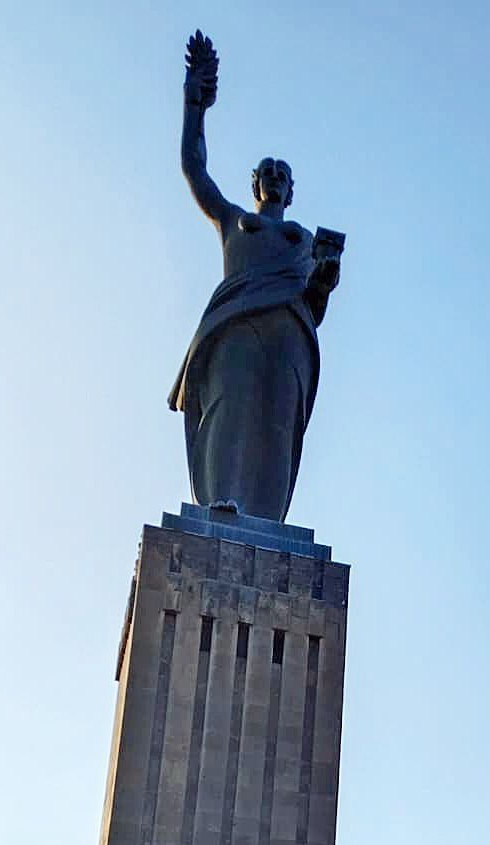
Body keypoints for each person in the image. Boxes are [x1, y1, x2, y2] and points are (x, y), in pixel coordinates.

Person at [173, 31, 342, 521]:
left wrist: (325, 279)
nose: (273, 176)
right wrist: (194, 106)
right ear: (255, 184)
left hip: (290, 331)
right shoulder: (232, 220)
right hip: (237, 324)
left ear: (290, 190)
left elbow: (315, 302)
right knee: (229, 408)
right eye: (266, 171)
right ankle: (222, 500)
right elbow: (194, 167)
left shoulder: (304, 239)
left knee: (276, 422)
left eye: (281, 173)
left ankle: (265, 516)